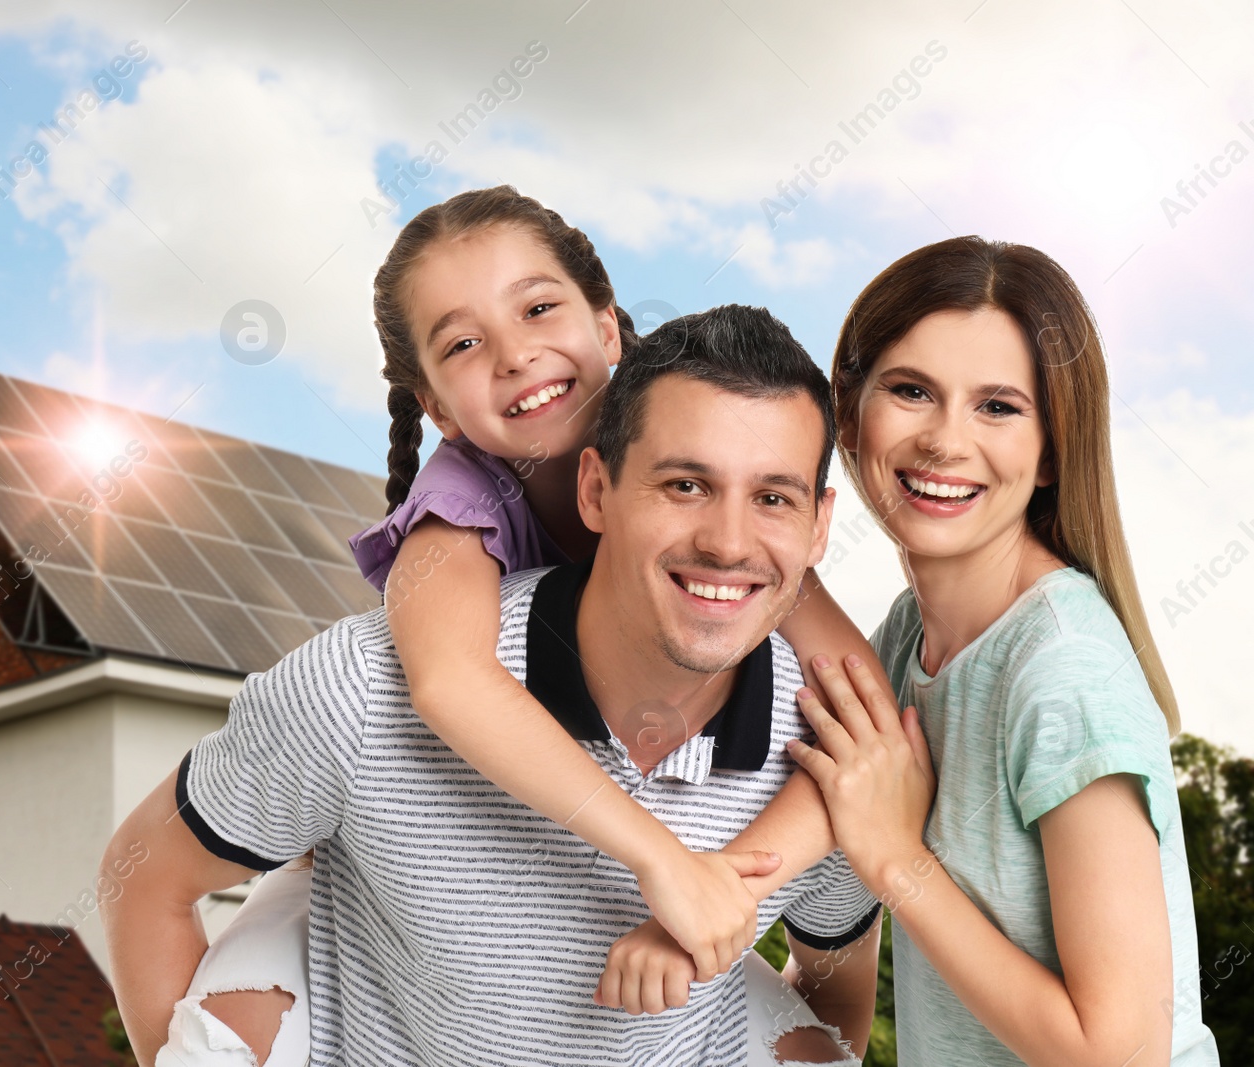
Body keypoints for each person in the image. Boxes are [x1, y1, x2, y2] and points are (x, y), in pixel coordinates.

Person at [174, 186, 885, 1064]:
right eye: (464, 343)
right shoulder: (457, 517)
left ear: (609, 329)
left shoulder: (725, 498)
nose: (515, 355)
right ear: (433, 405)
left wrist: (719, 890)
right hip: (363, 883)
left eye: (539, 308)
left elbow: (880, 734)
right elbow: (450, 683)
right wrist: (662, 861)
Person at [776, 237, 1220, 1064]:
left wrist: (897, 860)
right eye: (911, 391)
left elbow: (1120, 1052)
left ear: (1052, 448)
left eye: (998, 406)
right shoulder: (912, 633)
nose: (945, 440)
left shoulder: (1061, 671)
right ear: (850, 413)